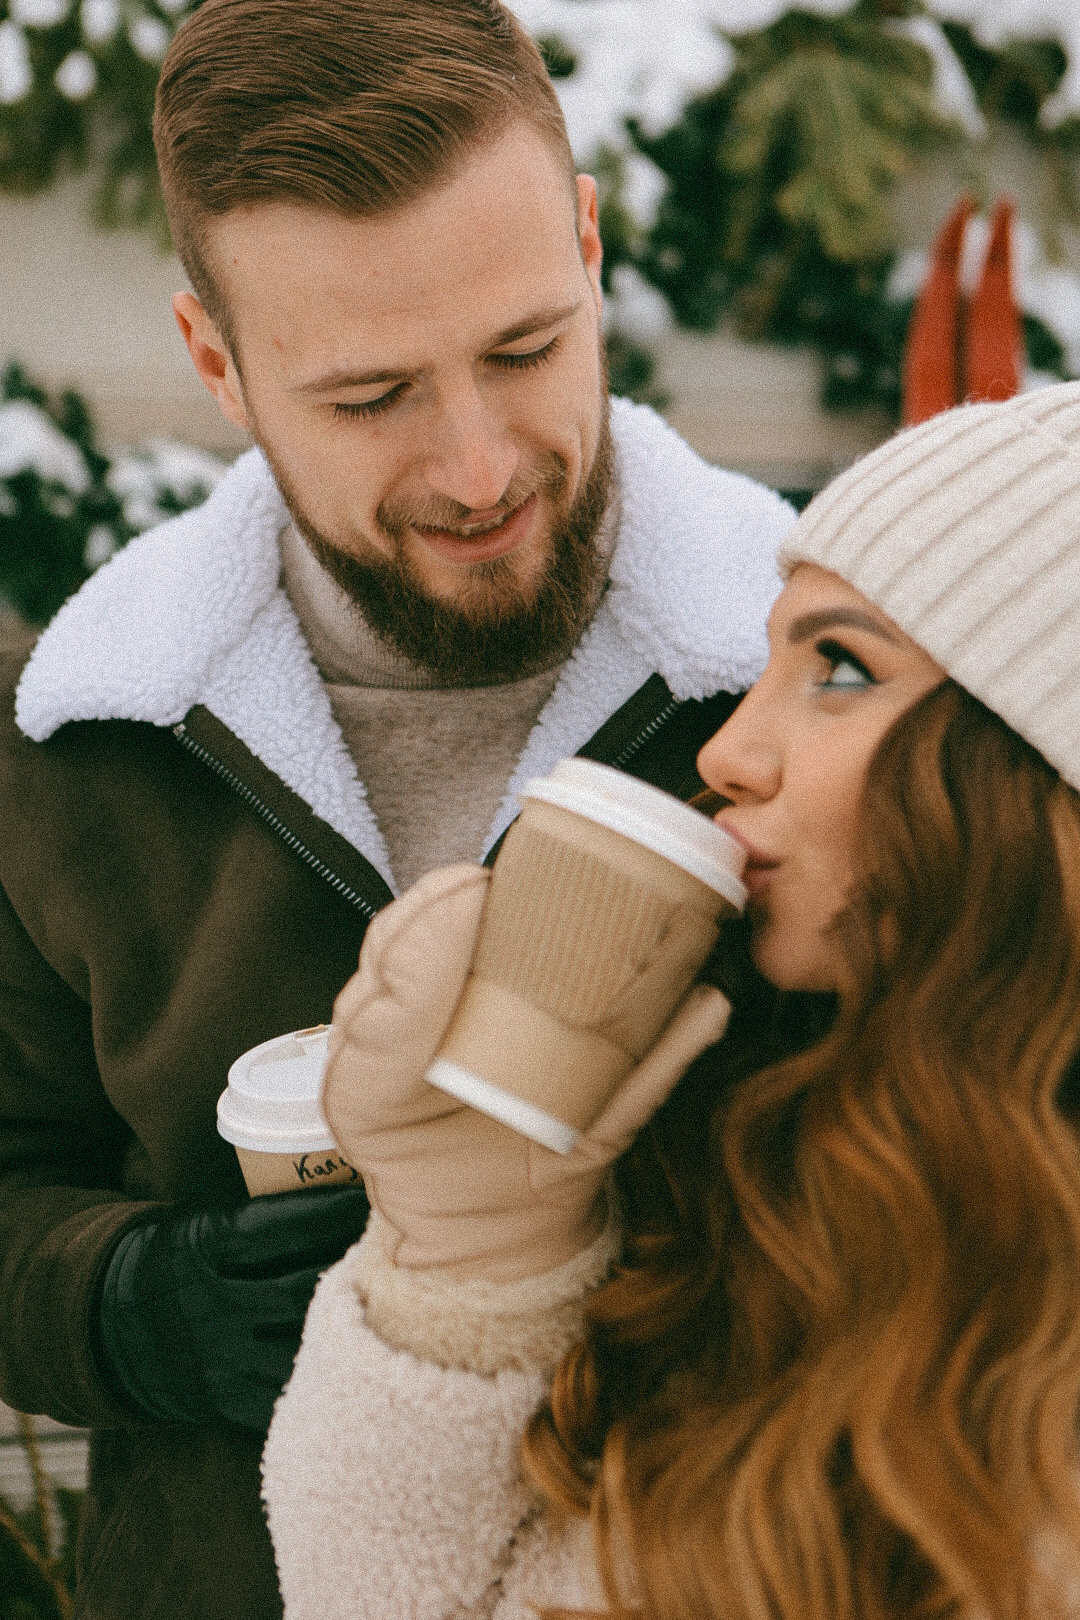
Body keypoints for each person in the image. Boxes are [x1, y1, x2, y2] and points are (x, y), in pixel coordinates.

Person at [0, 1, 794, 1615]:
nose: (479, 466)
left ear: (587, 246)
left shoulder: (815, 684)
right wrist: (131, 1309)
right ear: (216, 363)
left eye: (525, 350)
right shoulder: (76, 748)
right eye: (370, 398)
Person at [263, 381, 1080, 1620]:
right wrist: (469, 1266)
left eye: (841, 666)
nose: (726, 753)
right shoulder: (800, 1198)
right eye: (772, 661)